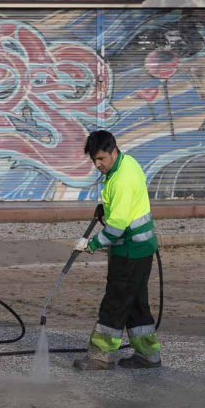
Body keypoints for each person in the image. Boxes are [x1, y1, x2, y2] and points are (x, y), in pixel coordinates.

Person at [72, 130, 161, 371]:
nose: (97, 164)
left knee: (115, 302)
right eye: (93, 160)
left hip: (130, 251)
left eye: (101, 159)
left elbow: (116, 230)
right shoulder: (127, 163)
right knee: (136, 304)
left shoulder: (121, 179)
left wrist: (89, 245)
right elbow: (123, 208)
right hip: (142, 248)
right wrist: (106, 208)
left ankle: (100, 356)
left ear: (113, 151)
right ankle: (148, 355)